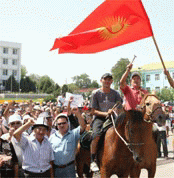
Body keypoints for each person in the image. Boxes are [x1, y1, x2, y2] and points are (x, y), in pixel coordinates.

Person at [91, 73, 122, 161]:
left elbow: (119, 107)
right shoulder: (95, 93)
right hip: (100, 118)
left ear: (111, 81)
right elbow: (93, 111)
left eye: (109, 80)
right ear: (101, 81)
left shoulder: (116, 93)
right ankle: (93, 159)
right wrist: (105, 114)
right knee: (96, 135)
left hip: (114, 117)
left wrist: (115, 110)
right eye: (105, 79)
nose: (107, 81)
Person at [49, 109, 86, 178]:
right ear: (56, 125)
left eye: (64, 123)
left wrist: (78, 114)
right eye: (59, 124)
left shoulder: (73, 134)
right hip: (56, 169)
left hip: (70, 169)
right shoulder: (51, 138)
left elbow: (82, 126)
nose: (62, 125)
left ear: (68, 123)